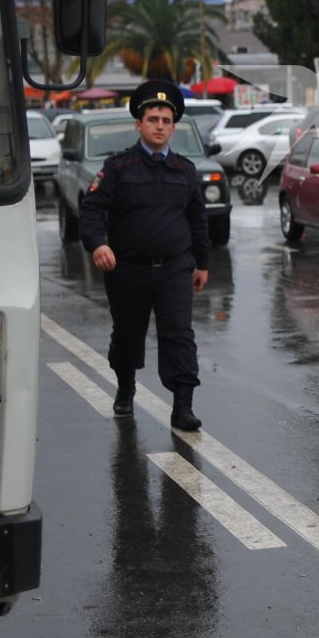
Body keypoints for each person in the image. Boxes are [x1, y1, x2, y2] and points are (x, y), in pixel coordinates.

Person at [80, 80, 212, 432]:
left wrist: (202, 263)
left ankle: (182, 407)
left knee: (179, 336)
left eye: (166, 120)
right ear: (138, 124)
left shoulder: (185, 171)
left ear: (174, 126)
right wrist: (98, 243)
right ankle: (125, 388)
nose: (159, 126)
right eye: (152, 119)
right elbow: (91, 208)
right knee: (127, 334)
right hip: (128, 271)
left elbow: (198, 220)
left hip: (174, 269)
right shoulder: (119, 168)